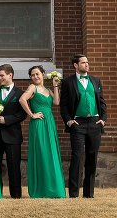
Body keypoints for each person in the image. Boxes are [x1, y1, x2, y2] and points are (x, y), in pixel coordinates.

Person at [59, 54, 106, 198]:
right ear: (75, 65)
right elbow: (64, 105)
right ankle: (73, 193)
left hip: (94, 123)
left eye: (87, 62)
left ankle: (89, 193)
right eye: (83, 62)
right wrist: (69, 120)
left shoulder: (96, 80)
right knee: (77, 157)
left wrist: (103, 119)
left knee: (92, 157)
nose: (87, 65)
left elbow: (102, 101)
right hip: (77, 124)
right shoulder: (68, 82)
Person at [20, 65, 65, 198]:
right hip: (38, 124)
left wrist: (56, 85)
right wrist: (32, 114)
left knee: (51, 153)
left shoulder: (48, 90)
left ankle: (53, 188)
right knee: (42, 153)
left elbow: (56, 102)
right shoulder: (32, 87)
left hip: (49, 124)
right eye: (32, 75)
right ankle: (41, 189)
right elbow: (22, 99)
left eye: (37, 74)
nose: (35, 77)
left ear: (43, 74)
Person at [0, 63, 26, 198]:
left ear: (10, 75)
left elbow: (22, 114)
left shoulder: (21, 94)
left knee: (14, 166)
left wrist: (6, 120)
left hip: (13, 135)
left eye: (2, 75)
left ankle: (16, 195)